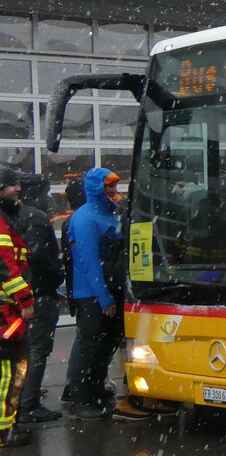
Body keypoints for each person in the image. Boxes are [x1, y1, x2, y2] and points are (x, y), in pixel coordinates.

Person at [61, 168, 149, 422]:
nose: (114, 191)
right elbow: (88, 261)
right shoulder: (85, 218)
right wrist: (103, 297)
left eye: (115, 186)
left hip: (112, 290)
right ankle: (79, 398)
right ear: (97, 189)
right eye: (108, 186)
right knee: (89, 344)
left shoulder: (111, 214)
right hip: (92, 294)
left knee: (107, 343)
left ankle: (95, 389)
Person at [13, 174, 64, 425]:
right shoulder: (34, 217)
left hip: (19, 295)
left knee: (23, 350)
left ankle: (21, 397)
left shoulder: (13, 216)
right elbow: (39, 256)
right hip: (38, 294)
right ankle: (28, 404)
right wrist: (57, 275)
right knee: (37, 350)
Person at [0, 167, 34, 448]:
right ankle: (4, 430)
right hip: (6, 314)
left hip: (7, 312)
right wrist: (26, 300)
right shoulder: (1, 223)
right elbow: (6, 268)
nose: (18, 189)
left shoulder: (7, 219)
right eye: (12, 185)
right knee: (10, 371)